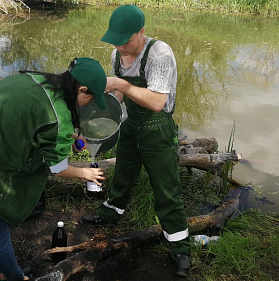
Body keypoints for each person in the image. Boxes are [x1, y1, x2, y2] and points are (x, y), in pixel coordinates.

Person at [0, 57, 107, 281]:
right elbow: (57, 168)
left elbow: (29, 120)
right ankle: (16, 278)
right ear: (82, 89)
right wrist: (85, 173)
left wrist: (68, 136)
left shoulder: (32, 79)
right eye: (90, 97)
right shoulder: (59, 117)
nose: (88, 103)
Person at [79, 5, 192, 277]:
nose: (119, 46)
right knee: (123, 174)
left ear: (141, 32)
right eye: (115, 40)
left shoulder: (160, 54)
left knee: (167, 191)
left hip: (157, 129)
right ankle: (111, 212)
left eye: (125, 40)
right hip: (130, 126)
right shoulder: (117, 54)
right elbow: (118, 97)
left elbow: (156, 101)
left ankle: (180, 247)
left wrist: (121, 85)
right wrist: (99, 113)